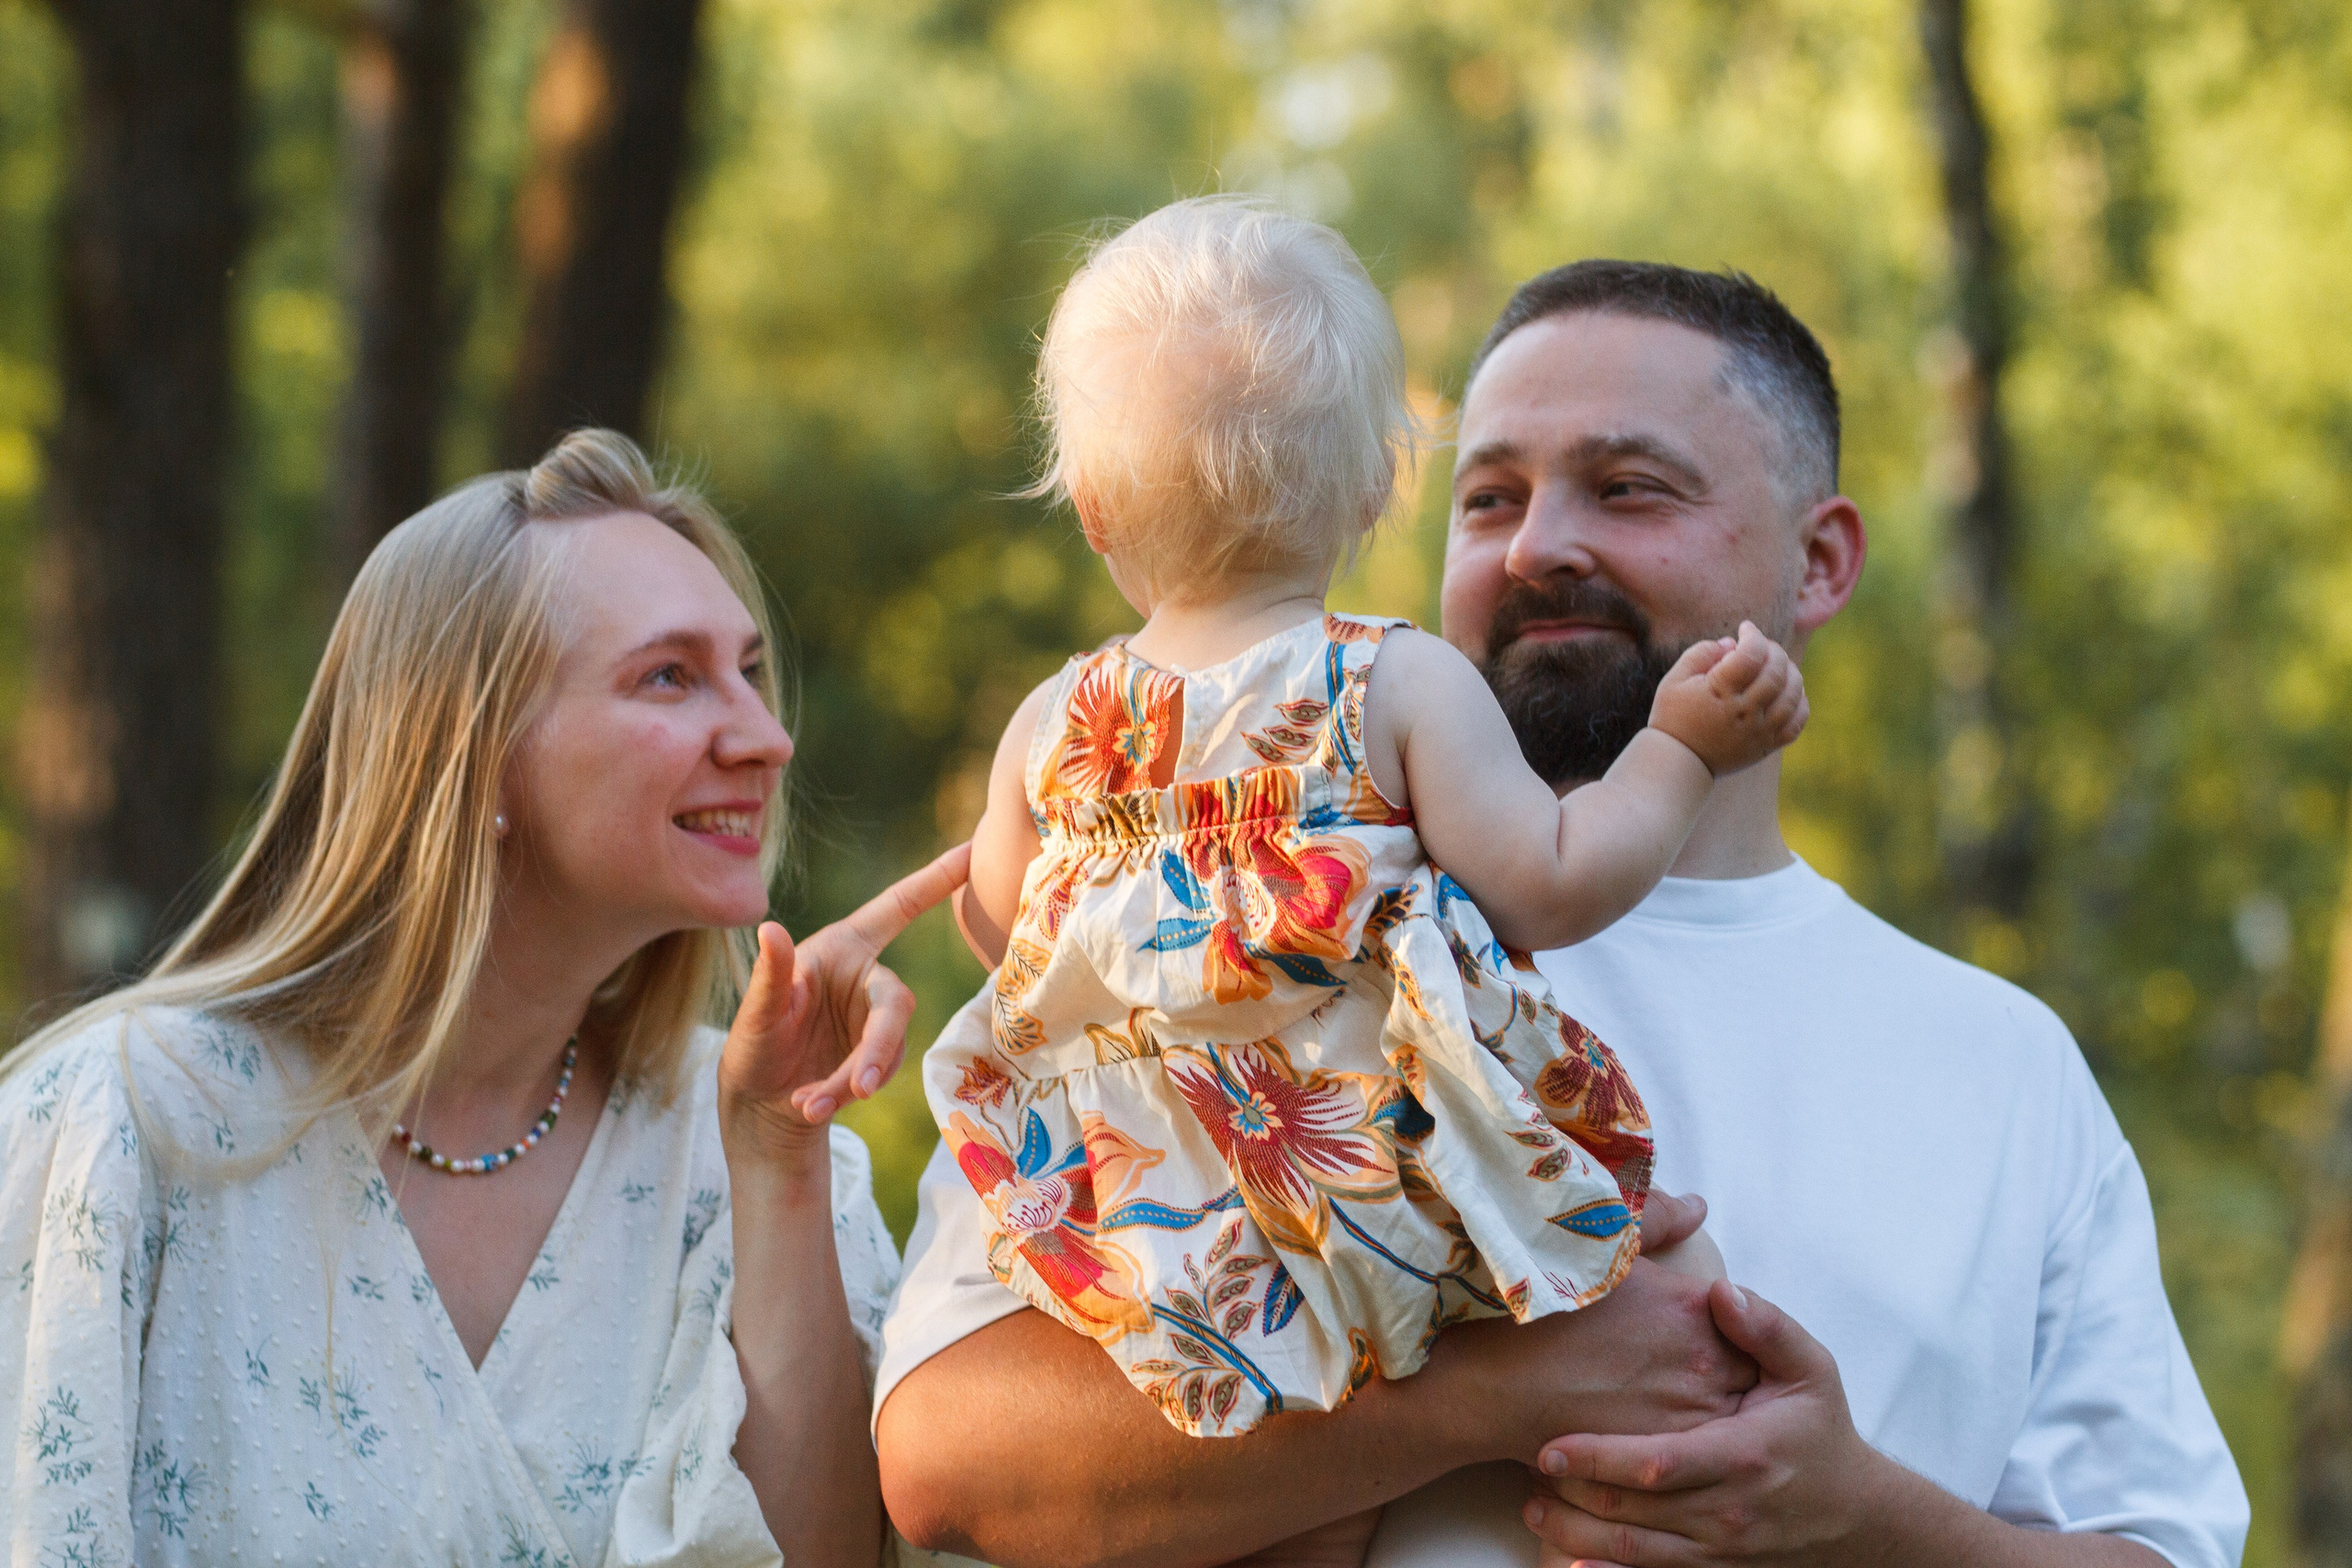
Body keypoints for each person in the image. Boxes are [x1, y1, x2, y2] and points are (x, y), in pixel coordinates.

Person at [875, 263, 2249, 1568]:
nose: (1538, 545)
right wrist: (1484, 1392)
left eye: (1628, 487)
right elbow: (944, 1456)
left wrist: (1860, 1518)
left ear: (1820, 562)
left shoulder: (2000, 1062)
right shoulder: (1213, 952)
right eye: (1487, 498)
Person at [931, 198, 1794, 1563]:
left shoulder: (1054, 722)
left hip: (1153, 1199)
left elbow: (1001, 936)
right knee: (1661, 1289)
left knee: (1273, 1505)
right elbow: (1553, 881)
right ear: (1374, 490)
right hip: (1360, 1169)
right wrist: (1681, 750)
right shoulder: (1390, 679)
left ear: (1094, 511)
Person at [0, 430, 963, 1567]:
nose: (765, 736)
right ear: (476, 748)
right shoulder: (128, 1128)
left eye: (748, 673)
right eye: (670, 675)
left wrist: (778, 1162)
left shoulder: (760, 1155)